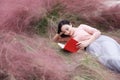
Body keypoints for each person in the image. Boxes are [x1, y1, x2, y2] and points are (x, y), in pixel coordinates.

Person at [53, 20, 120, 73]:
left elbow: (97, 32)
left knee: (114, 57)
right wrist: (59, 33)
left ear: (70, 24)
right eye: (64, 32)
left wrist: (87, 42)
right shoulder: (70, 39)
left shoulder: (81, 27)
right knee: (108, 61)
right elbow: (55, 40)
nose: (67, 32)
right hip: (93, 49)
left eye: (67, 29)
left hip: (101, 41)